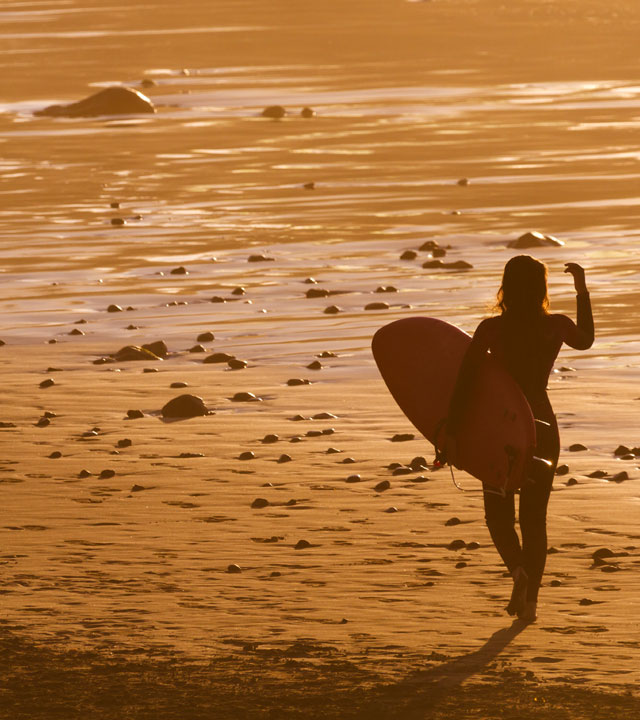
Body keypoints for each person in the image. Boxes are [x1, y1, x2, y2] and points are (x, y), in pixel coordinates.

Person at [444, 256, 594, 623]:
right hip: (541, 427)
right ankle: (531, 606)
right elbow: (586, 340)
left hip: (500, 431)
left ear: (505, 287)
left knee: (498, 517)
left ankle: (517, 572)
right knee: (534, 520)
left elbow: (465, 385)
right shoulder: (554, 327)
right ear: (542, 288)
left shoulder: (491, 331)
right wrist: (581, 290)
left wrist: (451, 431)